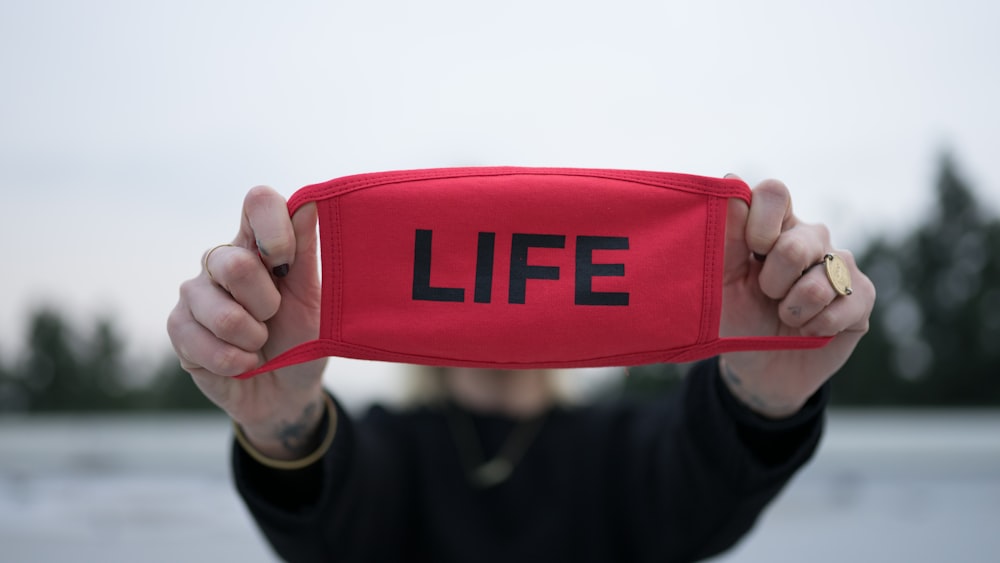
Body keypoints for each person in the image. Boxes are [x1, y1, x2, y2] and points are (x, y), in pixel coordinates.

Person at [167, 175, 875, 562]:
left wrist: (761, 396)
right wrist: (280, 423)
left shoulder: (621, 447)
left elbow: (697, 486)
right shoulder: (394, 446)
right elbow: (338, 522)